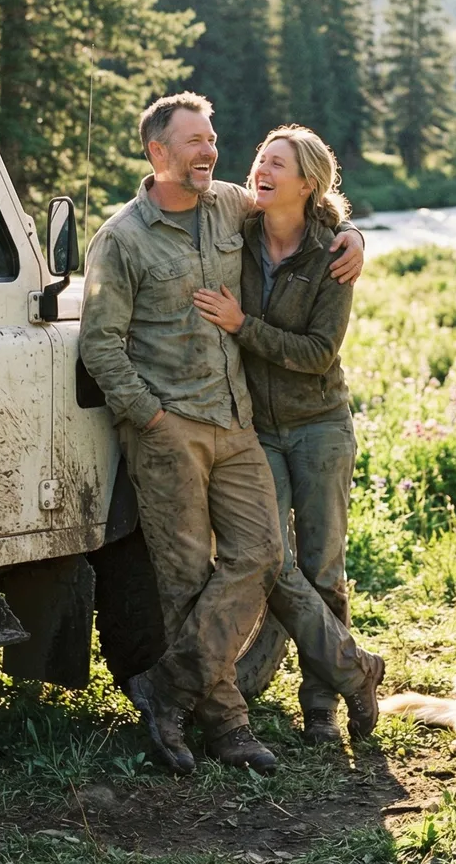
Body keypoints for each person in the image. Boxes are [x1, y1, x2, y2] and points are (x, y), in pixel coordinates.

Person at [78, 93, 365, 776]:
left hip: (236, 423)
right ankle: (229, 726)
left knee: (264, 555)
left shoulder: (230, 204)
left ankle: (165, 689)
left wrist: (357, 239)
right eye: (194, 142)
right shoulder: (121, 239)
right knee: (183, 579)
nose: (211, 151)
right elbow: (101, 342)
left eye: (213, 138)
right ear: (157, 153)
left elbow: (311, 208)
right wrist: (149, 417)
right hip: (168, 430)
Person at [193, 126, 384, 745]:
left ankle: (320, 706)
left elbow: (318, 353)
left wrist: (244, 324)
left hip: (320, 426)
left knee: (323, 566)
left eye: (277, 164)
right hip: (256, 430)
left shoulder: (334, 254)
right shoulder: (238, 228)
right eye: (260, 160)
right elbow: (183, 194)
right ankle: (356, 671)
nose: (261, 169)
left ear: (306, 184)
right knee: (269, 561)